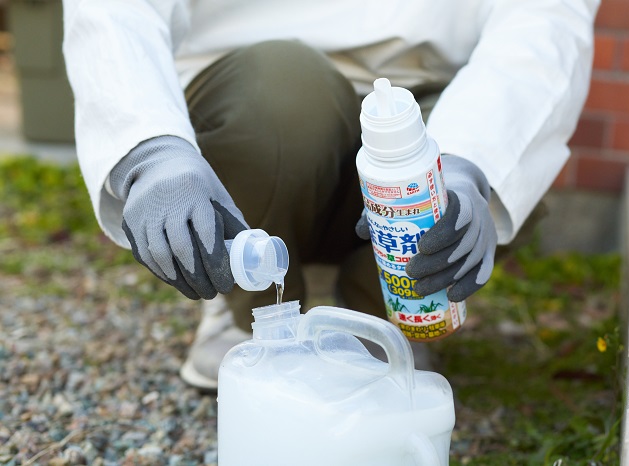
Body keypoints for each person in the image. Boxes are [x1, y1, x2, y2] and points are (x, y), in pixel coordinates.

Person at [62, 0, 599, 390]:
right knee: (283, 94)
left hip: (435, 101)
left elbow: (544, 27)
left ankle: (387, 320)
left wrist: (469, 162)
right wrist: (152, 149)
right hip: (256, 97)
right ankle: (250, 312)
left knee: (491, 151)